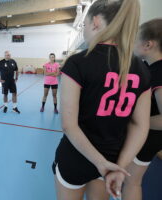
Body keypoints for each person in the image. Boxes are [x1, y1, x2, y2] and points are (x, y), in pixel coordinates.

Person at [52, 0, 151, 199]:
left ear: (95, 21)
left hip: (76, 157)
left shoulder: (78, 62)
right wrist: (117, 167)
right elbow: (141, 126)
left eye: (84, 25)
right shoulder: (141, 68)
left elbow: (69, 125)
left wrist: (99, 163)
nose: (85, 30)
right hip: (112, 160)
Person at [122, 18, 162, 200]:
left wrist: (132, 120)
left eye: (136, 39)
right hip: (148, 137)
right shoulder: (149, 68)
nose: (133, 44)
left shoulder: (158, 73)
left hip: (148, 138)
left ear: (148, 44)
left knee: (132, 182)